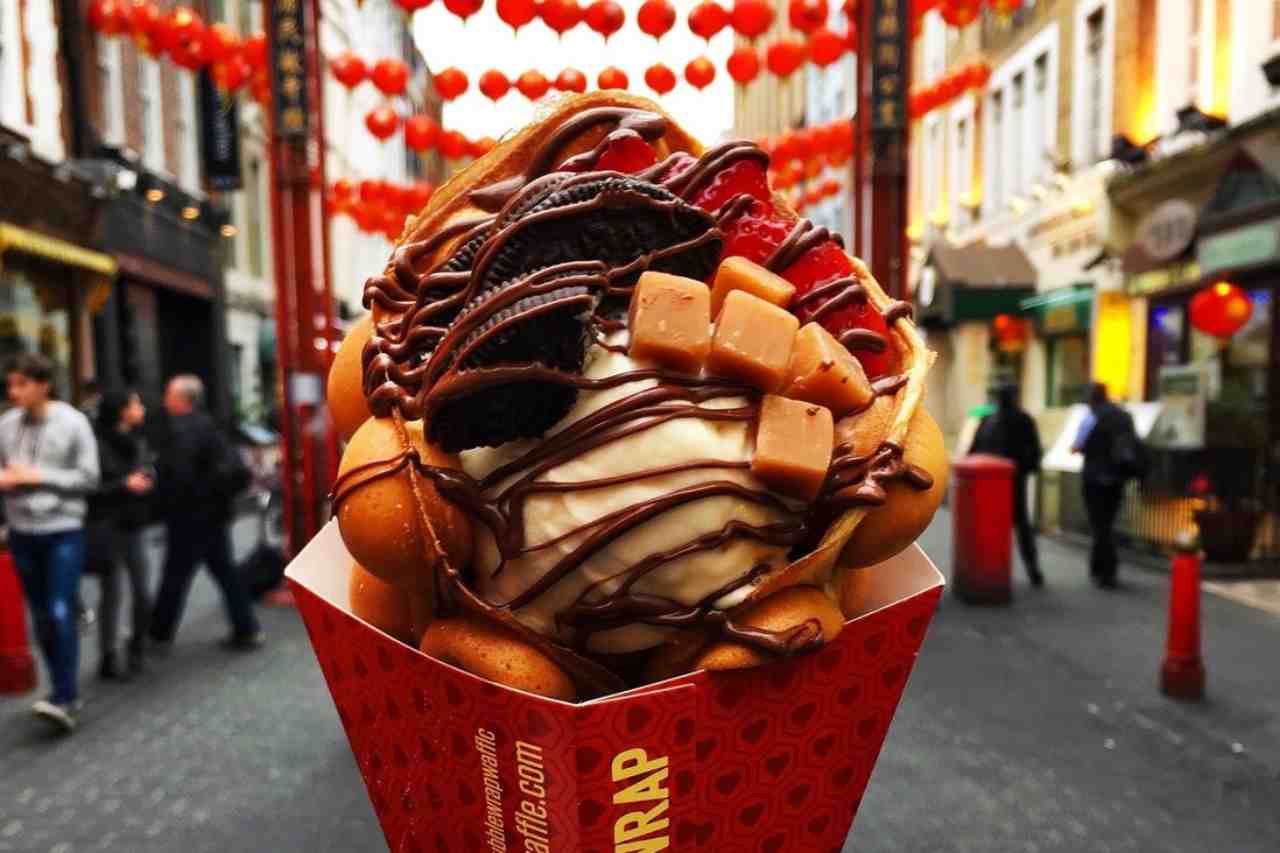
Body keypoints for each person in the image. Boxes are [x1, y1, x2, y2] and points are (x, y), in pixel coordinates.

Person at [0, 354, 100, 731]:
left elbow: (89, 477)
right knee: (41, 615)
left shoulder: (73, 422)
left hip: (63, 529)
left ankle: (65, 695)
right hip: (21, 531)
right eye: (11, 385)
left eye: (22, 384)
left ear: (43, 385)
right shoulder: (6, 425)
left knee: (60, 610)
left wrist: (37, 476)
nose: (14, 392)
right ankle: (61, 688)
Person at [148, 375, 262, 650]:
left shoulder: (182, 430)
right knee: (224, 572)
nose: (165, 400)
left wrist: (165, 500)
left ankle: (159, 634)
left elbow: (181, 475)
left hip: (189, 517)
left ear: (182, 399)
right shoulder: (209, 425)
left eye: (169, 394)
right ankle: (246, 628)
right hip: (213, 515)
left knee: (176, 574)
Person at [87, 388, 155, 679]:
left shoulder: (139, 438)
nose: (142, 409)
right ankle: (108, 655)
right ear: (122, 411)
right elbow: (91, 487)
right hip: (107, 525)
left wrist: (149, 478)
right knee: (111, 592)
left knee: (142, 591)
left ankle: (137, 646)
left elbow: (148, 468)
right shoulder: (96, 443)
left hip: (134, 523)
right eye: (136, 404)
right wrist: (125, 484)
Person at [970, 383, 1044, 586]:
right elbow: (1035, 451)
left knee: (990, 529)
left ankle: (989, 571)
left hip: (988, 485)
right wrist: (1027, 469)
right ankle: (1032, 570)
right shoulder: (1024, 419)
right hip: (1014, 482)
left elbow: (974, 451)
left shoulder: (987, 421)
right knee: (1022, 527)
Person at [1072, 382, 1141, 589]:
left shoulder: (1091, 418)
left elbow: (1077, 446)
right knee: (1108, 522)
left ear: (1091, 398)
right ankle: (1101, 568)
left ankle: (1105, 570)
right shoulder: (1124, 416)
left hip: (1094, 478)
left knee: (1098, 524)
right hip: (1117, 477)